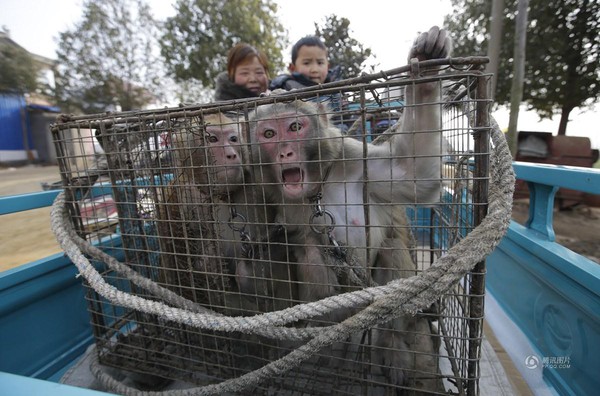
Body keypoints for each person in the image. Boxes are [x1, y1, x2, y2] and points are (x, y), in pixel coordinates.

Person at [269, 35, 341, 91]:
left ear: (327, 67)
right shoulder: (284, 89)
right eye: (306, 63)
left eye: (320, 63)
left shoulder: (337, 90)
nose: (314, 69)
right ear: (292, 68)